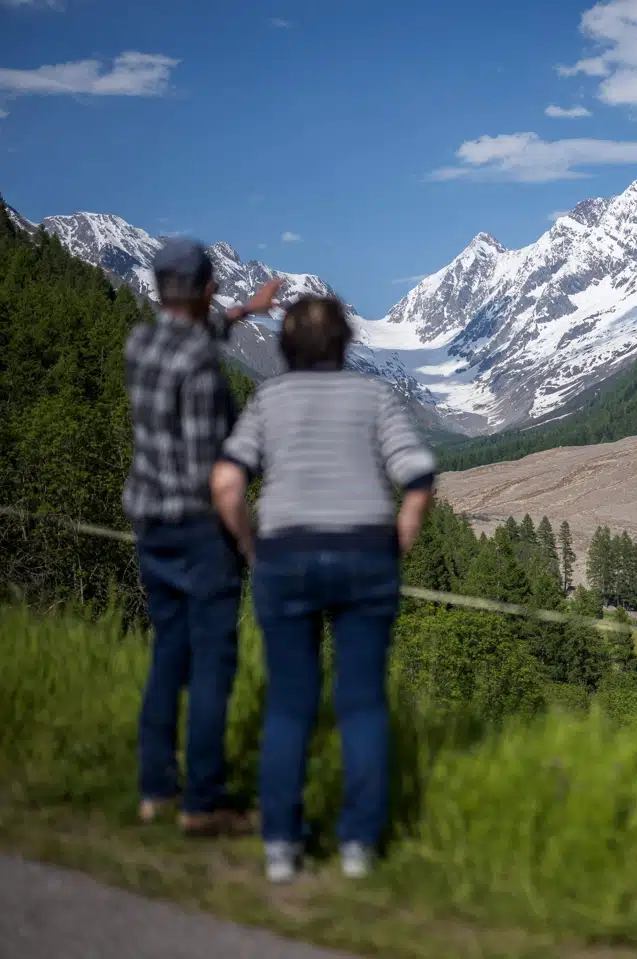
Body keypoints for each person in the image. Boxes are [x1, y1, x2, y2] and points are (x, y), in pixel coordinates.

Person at [210, 296, 434, 883]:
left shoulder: (269, 400)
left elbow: (228, 484)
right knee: (361, 701)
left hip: (285, 557)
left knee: (289, 704)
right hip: (366, 554)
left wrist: (251, 548)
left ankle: (282, 846)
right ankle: (359, 846)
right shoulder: (374, 396)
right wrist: (401, 534)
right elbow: (417, 476)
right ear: (344, 343)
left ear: (286, 347)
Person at [123, 238, 280, 836]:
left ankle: (156, 790)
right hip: (199, 530)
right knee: (214, 663)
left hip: (150, 522)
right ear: (208, 288)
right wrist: (248, 546)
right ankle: (204, 802)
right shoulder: (204, 373)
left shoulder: (142, 344)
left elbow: (197, 329)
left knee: (168, 652)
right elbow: (222, 481)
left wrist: (247, 311)